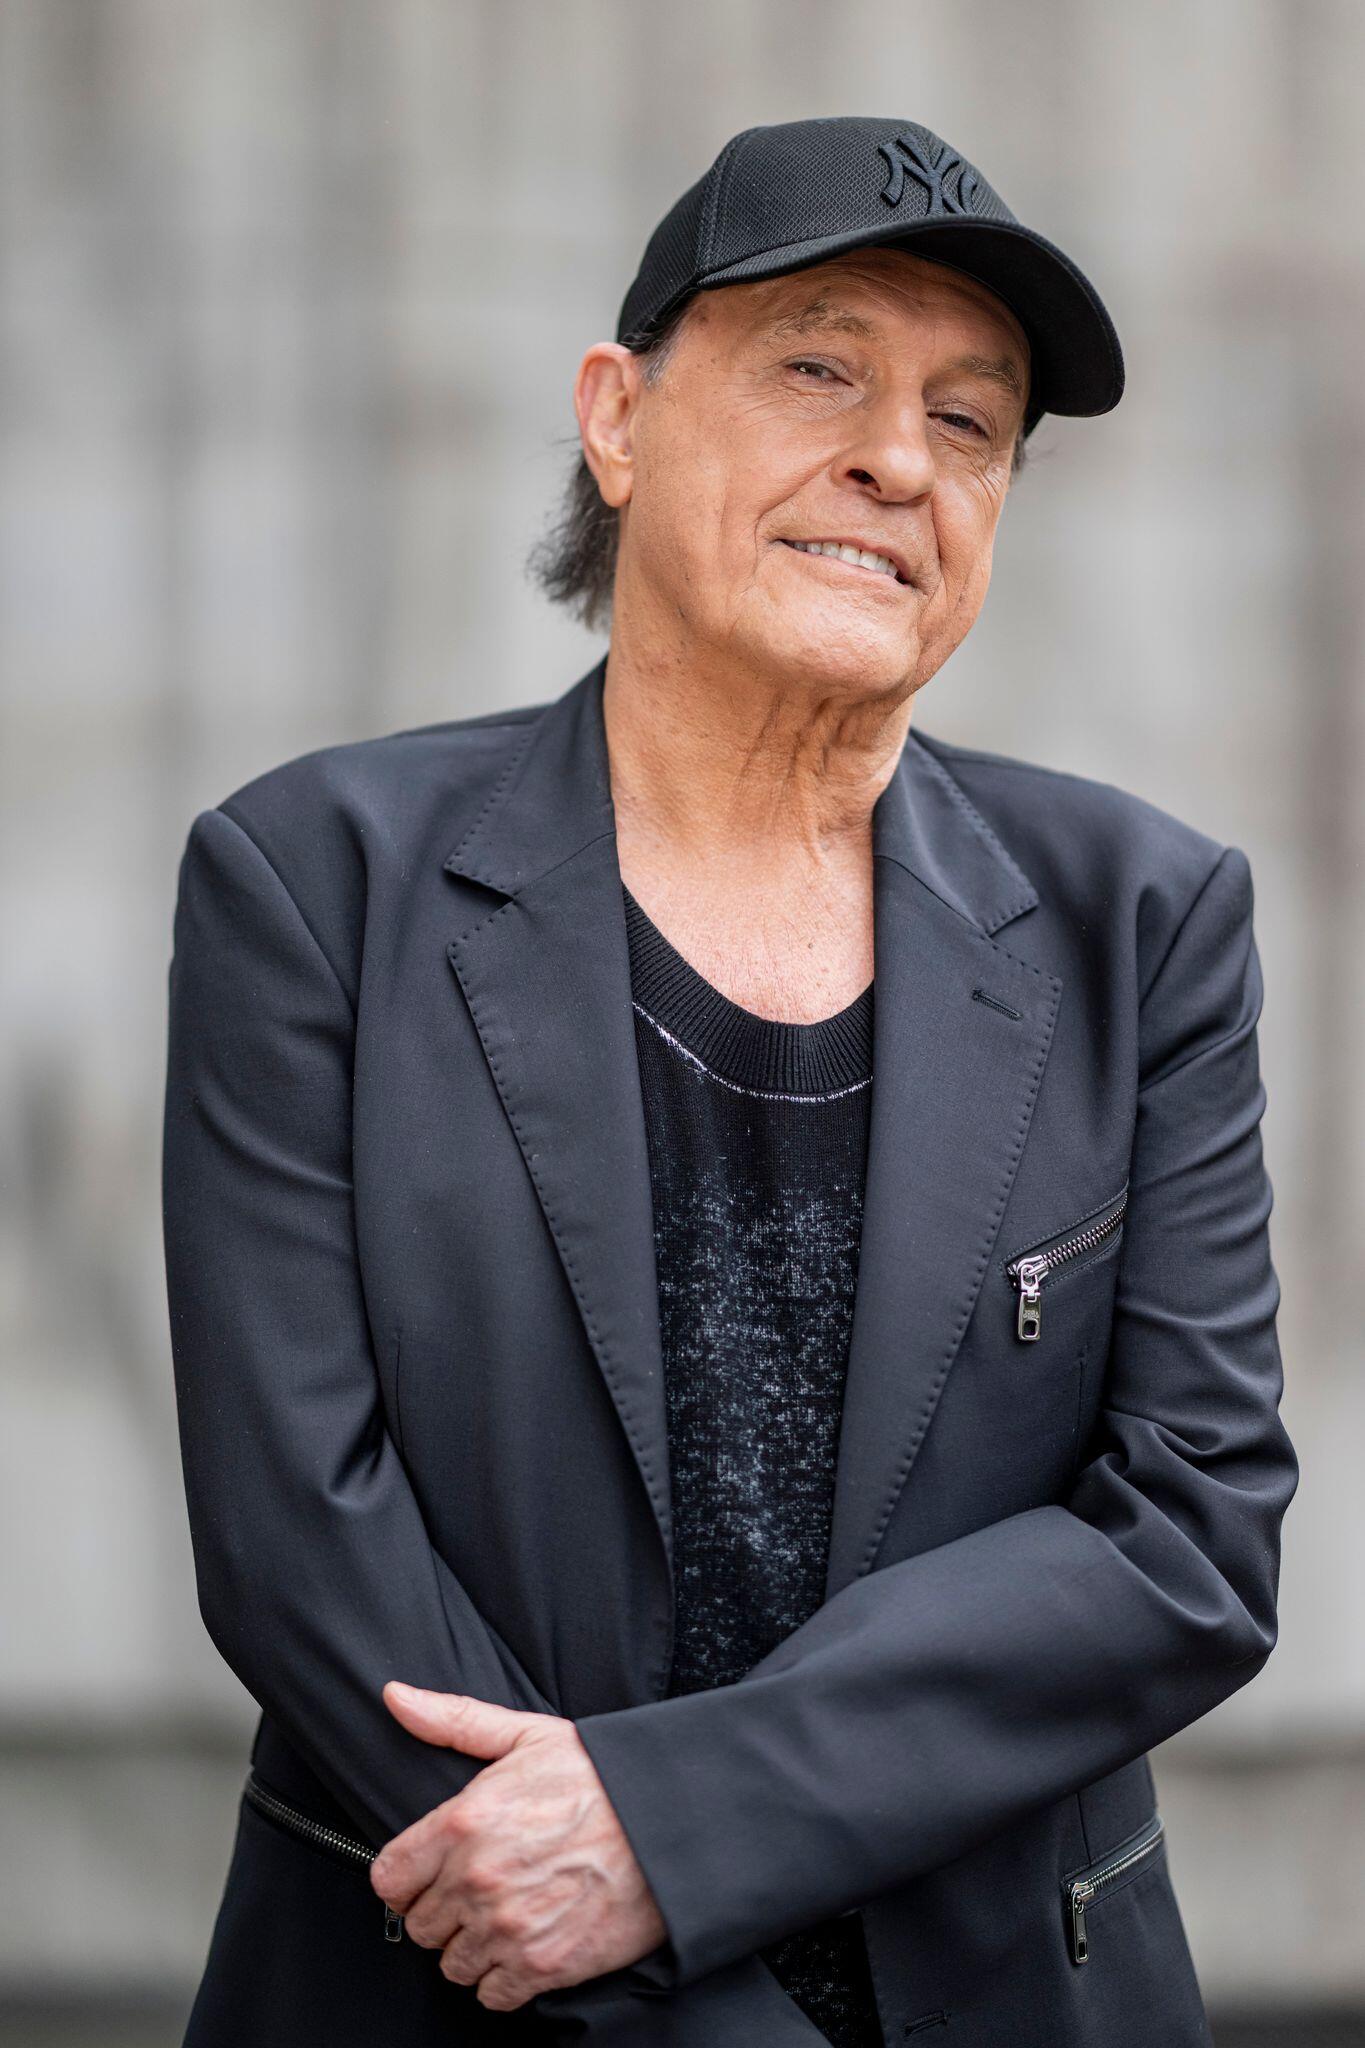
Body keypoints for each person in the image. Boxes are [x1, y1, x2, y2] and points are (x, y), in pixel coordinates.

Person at [162, 117, 1299, 2047]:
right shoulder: (316, 884)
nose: (898, 460)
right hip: (463, 1984)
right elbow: (298, 1530)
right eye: (818, 369)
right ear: (617, 419)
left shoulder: (1143, 918)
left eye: (967, 419)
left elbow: (1190, 1532)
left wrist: (673, 1833)